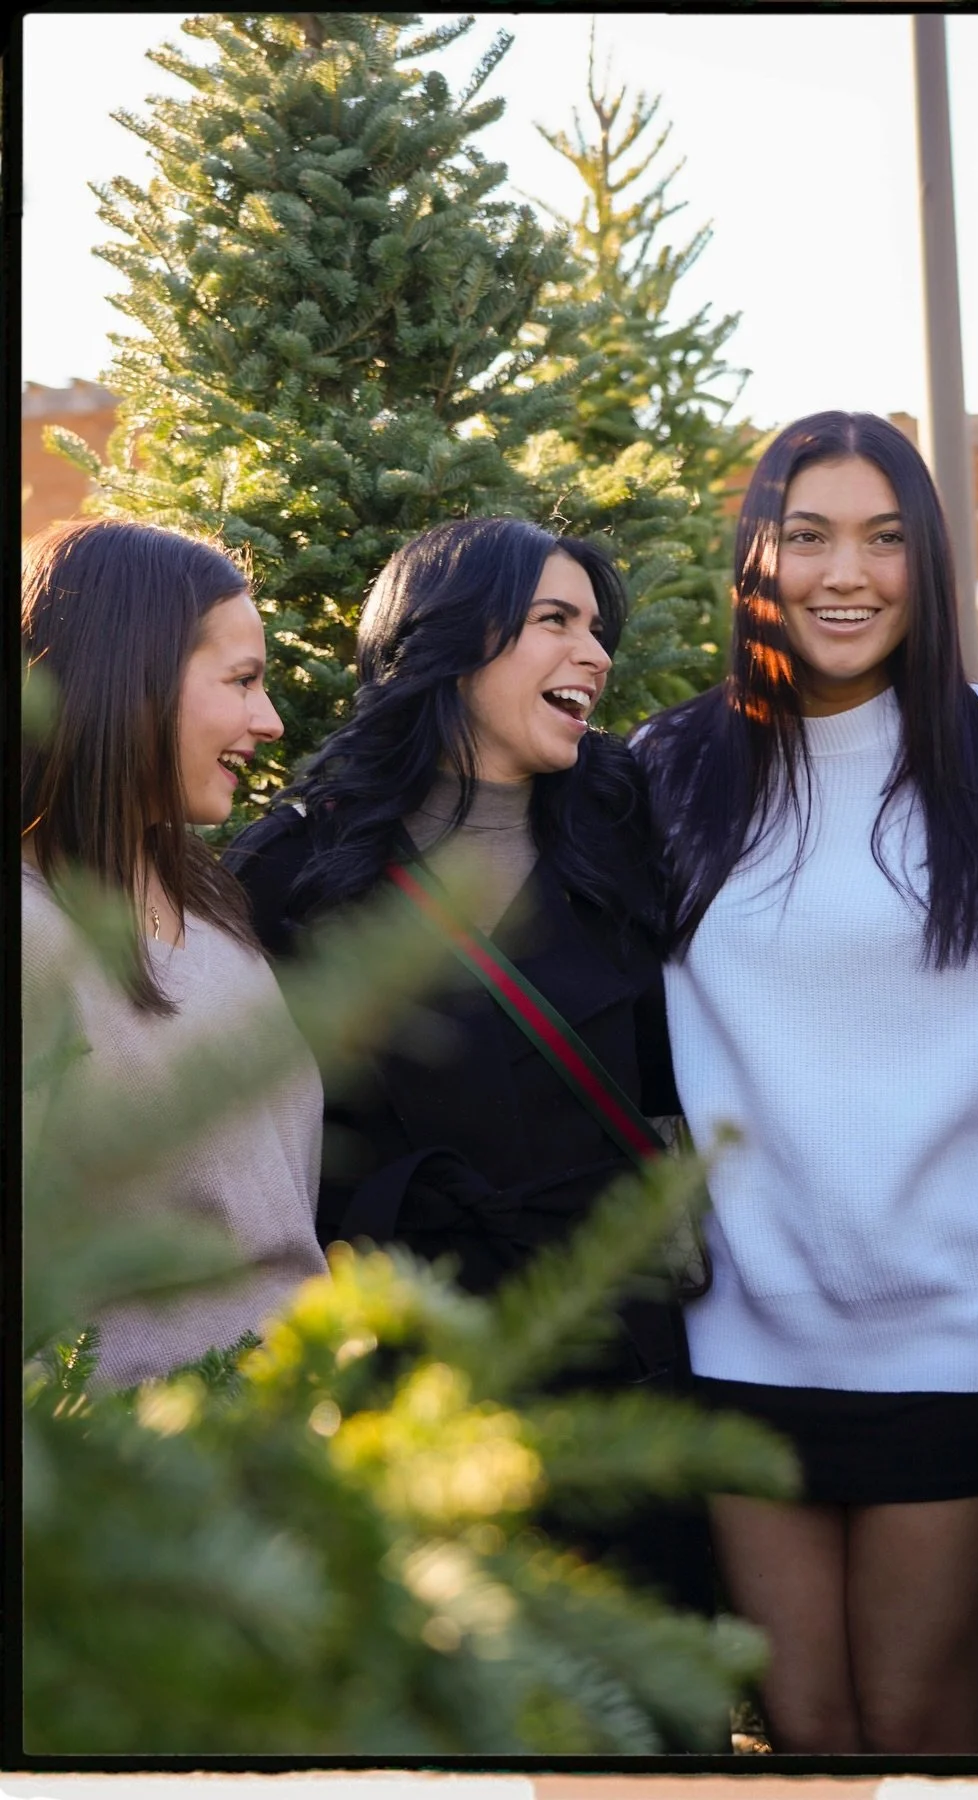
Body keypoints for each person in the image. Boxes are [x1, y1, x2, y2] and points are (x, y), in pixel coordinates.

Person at [631, 412, 978, 1753]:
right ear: (759, 559)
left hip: (970, 1341)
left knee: (919, 1729)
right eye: (807, 536)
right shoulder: (666, 774)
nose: (842, 573)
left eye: (885, 538)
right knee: (801, 1737)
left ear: (929, 562)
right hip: (740, 1340)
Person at [223, 516, 708, 1613]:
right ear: (449, 639)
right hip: (415, 1385)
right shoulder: (298, 867)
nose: (595, 653)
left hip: (623, 1365)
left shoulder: (626, 819)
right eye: (555, 622)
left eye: (598, 629)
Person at [21, 518, 326, 1390]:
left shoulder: (213, 904)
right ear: (132, 678)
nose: (269, 721)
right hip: (137, 1482)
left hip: (298, 1445)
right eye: (242, 681)